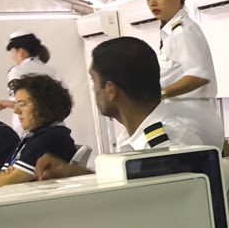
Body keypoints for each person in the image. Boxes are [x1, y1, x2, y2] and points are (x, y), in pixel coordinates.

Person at [34, 37, 204, 180]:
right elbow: (133, 191)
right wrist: (75, 174)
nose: (93, 90)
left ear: (110, 90)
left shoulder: (166, 146)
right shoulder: (134, 137)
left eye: (93, 81)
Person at [139, 0, 226, 149]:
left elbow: (200, 76)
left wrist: (158, 95)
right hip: (182, 121)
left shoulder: (183, 31)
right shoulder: (170, 32)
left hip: (193, 122)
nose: (152, 2)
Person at [0, 73, 76, 187]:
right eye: (16, 104)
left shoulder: (48, 138)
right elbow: (0, 176)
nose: (16, 111)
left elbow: (1, 183)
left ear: (44, 104)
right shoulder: (35, 136)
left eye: (23, 104)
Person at [0, 32, 60, 132]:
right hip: (54, 123)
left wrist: (2, 104)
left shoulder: (17, 71)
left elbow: (19, 102)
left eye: (12, 51)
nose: (12, 56)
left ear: (21, 51)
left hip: (30, 124)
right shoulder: (51, 70)